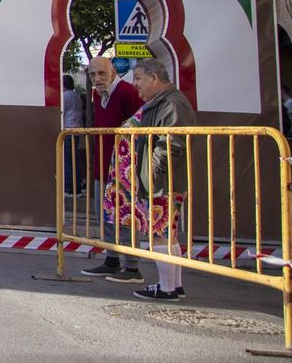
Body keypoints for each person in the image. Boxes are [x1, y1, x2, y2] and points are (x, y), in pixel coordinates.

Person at [103, 58, 196, 300]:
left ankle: (167, 288)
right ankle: (173, 285)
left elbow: (169, 145)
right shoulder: (163, 101)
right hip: (159, 181)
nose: (135, 85)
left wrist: (151, 176)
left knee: (161, 234)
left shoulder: (172, 104)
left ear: (154, 77)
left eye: (139, 79)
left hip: (162, 182)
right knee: (166, 232)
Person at [82, 57, 145, 282]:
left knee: (125, 216)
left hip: (125, 169)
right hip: (104, 166)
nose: (97, 79)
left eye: (101, 74)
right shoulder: (98, 96)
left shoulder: (127, 93)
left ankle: (131, 267)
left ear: (113, 71)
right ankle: (112, 260)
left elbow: (142, 125)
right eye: (92, 75)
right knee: (106, 215)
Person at [61, 73, 85, 194]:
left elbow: (61, 112)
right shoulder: (77, 96)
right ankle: (77, 186)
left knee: (68, 161)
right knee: (75, 160)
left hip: (68, 131)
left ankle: (69, 187)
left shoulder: (64, 96)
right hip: (77, 131)